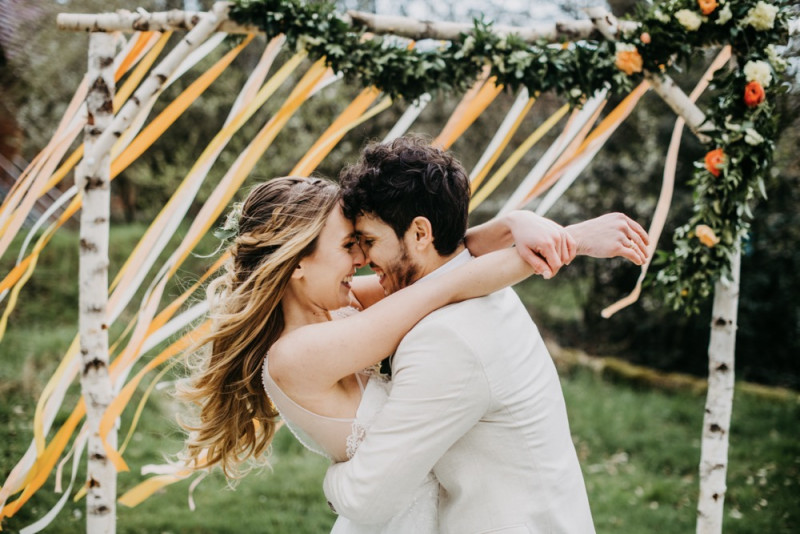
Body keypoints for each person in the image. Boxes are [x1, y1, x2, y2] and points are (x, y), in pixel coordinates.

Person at [180, 159, 646, 530]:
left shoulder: (336, 309)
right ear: (297, 264)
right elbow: (442, 283)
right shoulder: (296, 353)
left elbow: (444, 265)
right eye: (349, 246)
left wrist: (515, 224)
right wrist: (574, 239)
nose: (361, 259)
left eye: (364, 242)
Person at [321, 136, 648, 533]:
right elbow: (350, 294)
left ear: (421, 234)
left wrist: (336, 473)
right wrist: (512, 223)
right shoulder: (470, 284)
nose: (363, 260)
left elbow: (366, 498)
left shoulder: (446, 339)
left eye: (369, 242)